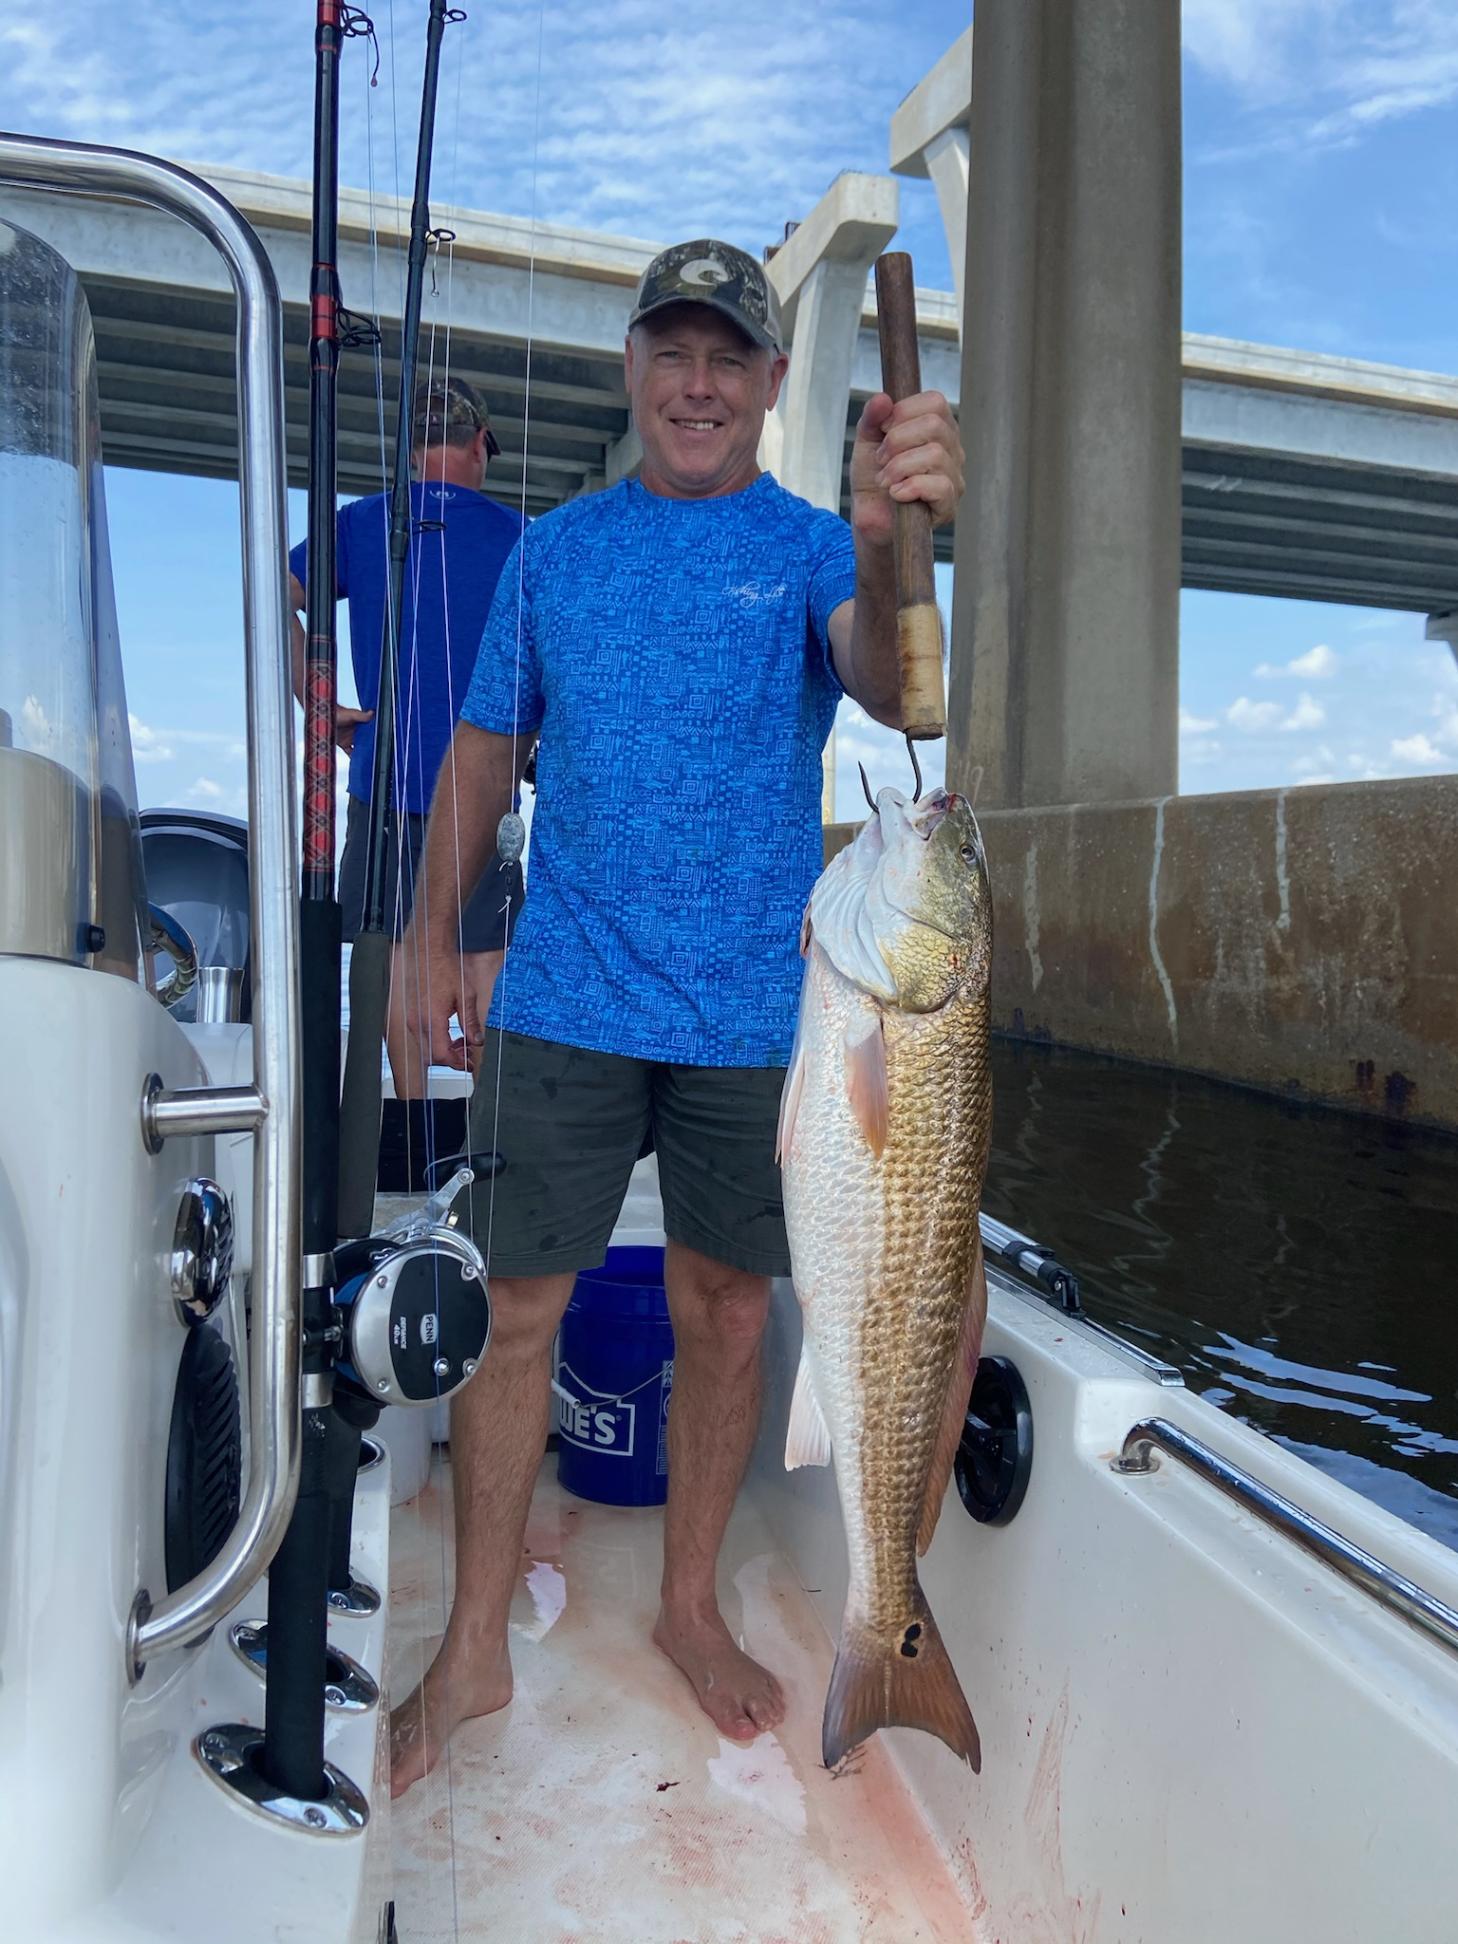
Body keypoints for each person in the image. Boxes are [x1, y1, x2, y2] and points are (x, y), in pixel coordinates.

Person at [389, 238, 968, 1796]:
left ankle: (691, 1606)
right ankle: (471, 1645)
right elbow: (484, 750)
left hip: (746, 1017)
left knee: (723, 1314)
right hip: (565, 993)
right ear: (630, 368)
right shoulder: (556, 552)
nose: (698, 383)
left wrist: (892, 525)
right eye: (673, 352)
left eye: (731, 358)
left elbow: (897, 686)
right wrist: (423, 935)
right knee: (517, 1312)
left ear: (775, 385)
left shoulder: (806, 552)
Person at [287, 375, 525, 1096]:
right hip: (486, 795)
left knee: (388, 957)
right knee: (487, 956)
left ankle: (410, 1135)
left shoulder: (360, 523)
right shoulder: (523, 535)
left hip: (381, 786)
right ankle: (485, 1142)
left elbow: (270, 594)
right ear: (479, 443)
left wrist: (317, 702)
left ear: (412, 448)